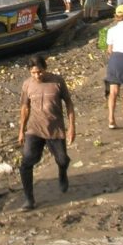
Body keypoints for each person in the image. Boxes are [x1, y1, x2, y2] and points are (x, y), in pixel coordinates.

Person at [17, 54, 75, 211]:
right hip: (34, 129)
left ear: (45, 68)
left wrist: (71, 127)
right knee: (26, 163)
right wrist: (21, 130)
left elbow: (69, 104)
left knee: (62, 160)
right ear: (30, 71)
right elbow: (25, 108)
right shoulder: (27, 85)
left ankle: (62, 173)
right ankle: (29, 199)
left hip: (55, 129)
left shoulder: (57, 81)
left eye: (40, 72)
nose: (37, 75)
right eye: (34, 72)